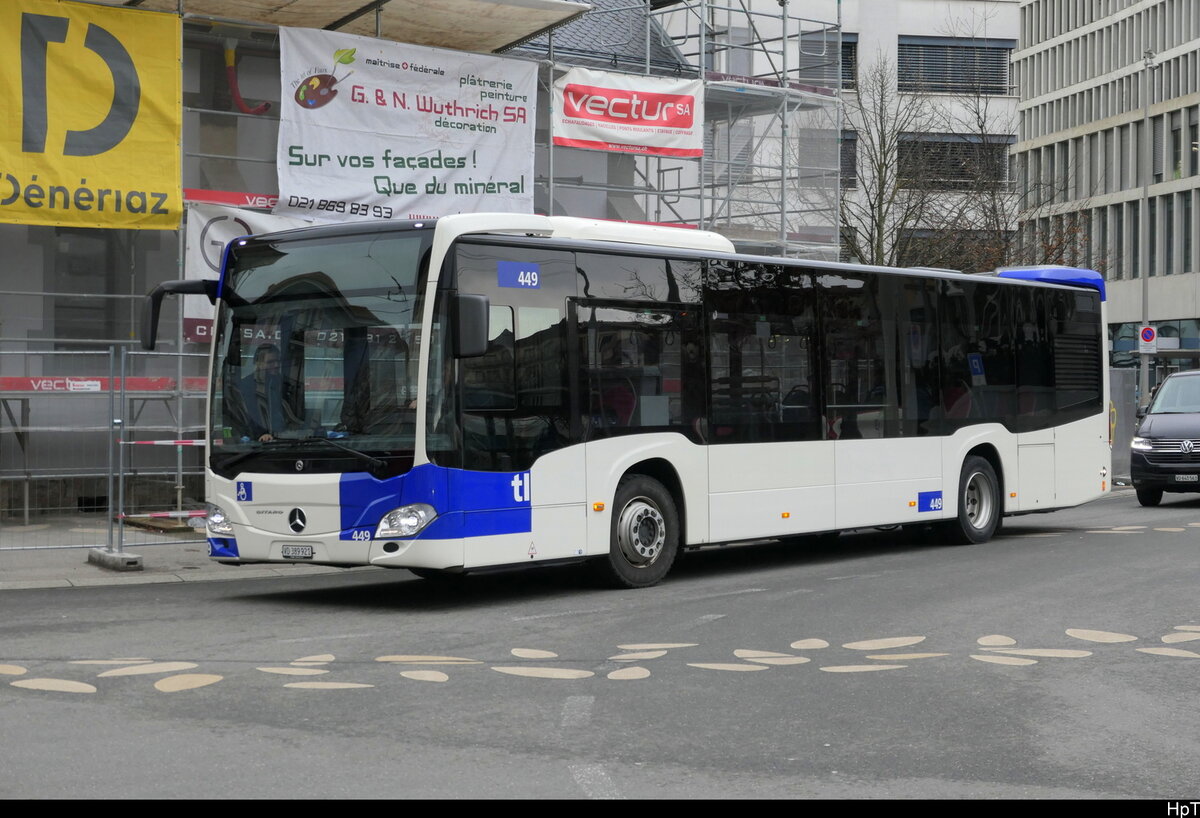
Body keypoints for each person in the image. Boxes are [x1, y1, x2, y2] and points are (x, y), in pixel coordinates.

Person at [238, 344, 288, 442]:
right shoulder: (247, 385)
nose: (276, 365)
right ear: (258, 363)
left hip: (285, 437)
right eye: (270, 362)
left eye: (278, 361)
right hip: (260, 439)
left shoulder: (284, 383)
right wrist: (261, 433)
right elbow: (247, 414)